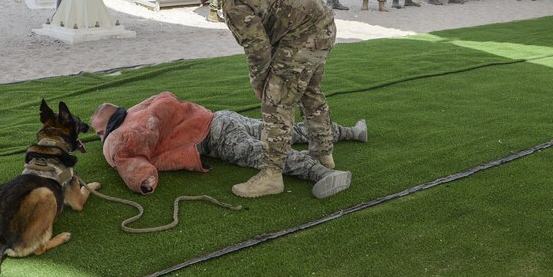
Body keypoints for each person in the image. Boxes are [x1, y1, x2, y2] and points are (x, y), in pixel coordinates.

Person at [176, 0, 341, 198]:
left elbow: (257, 47)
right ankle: (322, 154)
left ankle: (272, 175)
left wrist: (259, 82)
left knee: (275, 100)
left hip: (303, 33)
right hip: (319, 25)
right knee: (309, 91)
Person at [90, 92, 367, 198]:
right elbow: (168, 100)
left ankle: (322, 173)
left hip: (215, 137)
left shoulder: (120, 138)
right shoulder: (142, 106)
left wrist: (144, 181)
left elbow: (134, 166)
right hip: (219, 117)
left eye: (99, 134)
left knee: (267, 153)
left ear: (106, 129)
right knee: (283, 132)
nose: (100, 139)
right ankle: (352, 132)